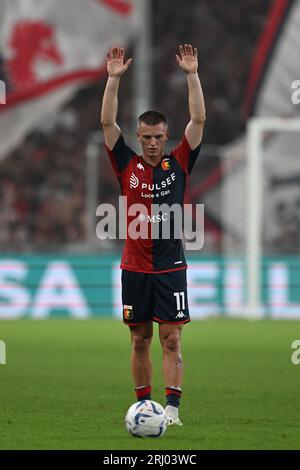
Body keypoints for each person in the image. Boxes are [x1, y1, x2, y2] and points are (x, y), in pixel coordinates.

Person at [101, 44, 205, 426]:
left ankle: (172, 410)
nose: (150, 142)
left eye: (157, 136)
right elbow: (107, 125)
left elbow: (199, 119)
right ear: (139, 136)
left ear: (165, 137)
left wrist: (192, 75)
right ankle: (144, 406)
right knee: (139, 340)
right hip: (135, 268)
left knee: (172, 340)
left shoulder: (178, 163)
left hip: (171, 267)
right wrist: (112, 81)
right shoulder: (125, 163)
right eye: (144, 136)